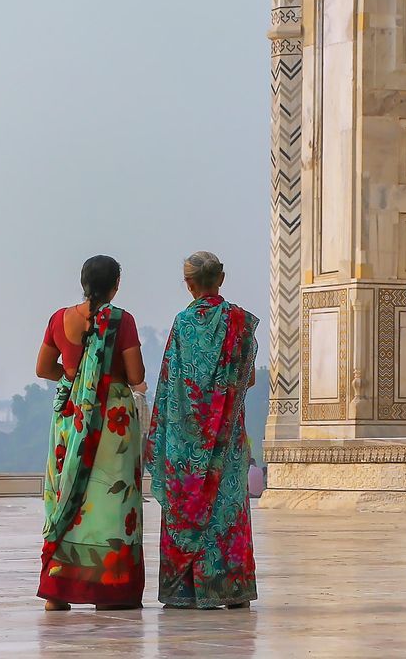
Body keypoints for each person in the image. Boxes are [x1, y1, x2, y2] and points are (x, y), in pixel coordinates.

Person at [147, 251, 258, 609]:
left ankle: (183, 591)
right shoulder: (239, 321)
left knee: (186, 509)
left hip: (184, 439)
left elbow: (170, 383)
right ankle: (229, 589)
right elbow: (247, 378)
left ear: (189, 285)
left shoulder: (182, 323)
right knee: (226, 510)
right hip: (226, 438)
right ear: (221, 279)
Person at [35, 255, 146, 611]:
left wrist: (75, 377)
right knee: (112, 502)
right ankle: (109, 590)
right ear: (116, 284)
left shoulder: (58, 318)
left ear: (82, 282)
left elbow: (42, 368)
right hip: (111, 421)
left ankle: (58, 589)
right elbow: (134, 373)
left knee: (68, 493)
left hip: (71, 419)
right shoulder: (121, 320)